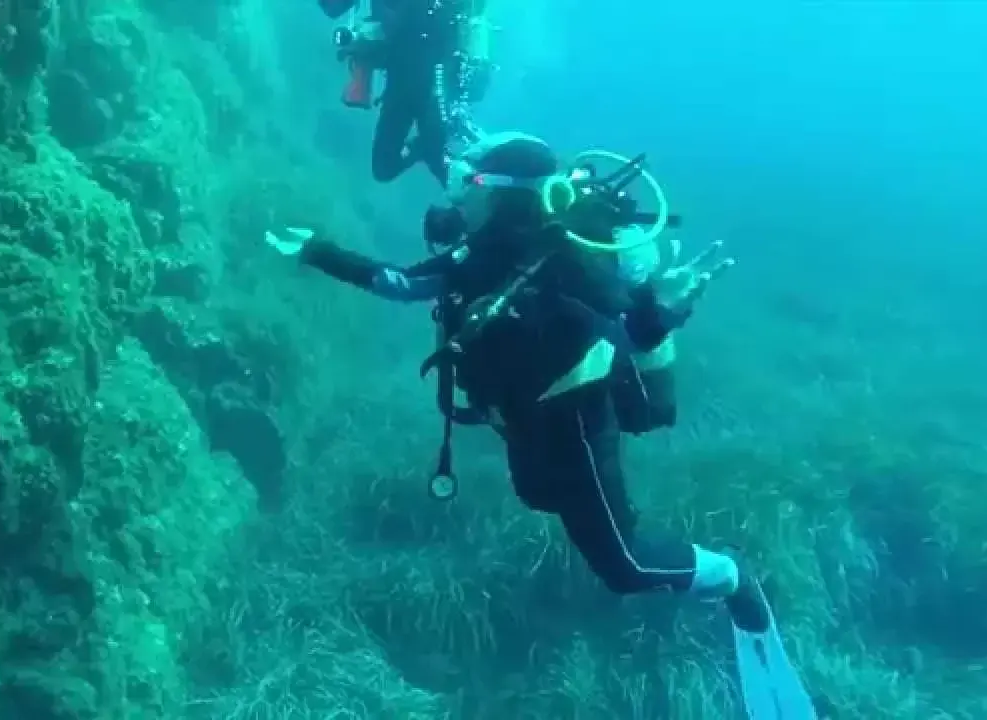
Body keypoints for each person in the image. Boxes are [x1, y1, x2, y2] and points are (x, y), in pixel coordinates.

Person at [265, 131, 817, 718]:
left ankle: (732, 576)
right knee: (536, 494)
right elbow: (403, 283)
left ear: (504, 195)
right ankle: (659, 552)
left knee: (624, 566)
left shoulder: (563, 267)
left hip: (576, 424)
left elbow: (625, 333)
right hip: (524, 419)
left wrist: (664, 310)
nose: (455, 192)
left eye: (467, 181)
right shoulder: (476, 255)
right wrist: (317, 250)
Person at [319, 0, 490, 185]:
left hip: (434, 76)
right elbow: (332, 8)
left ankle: (478, 174)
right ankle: (436, 145)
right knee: (386, 167)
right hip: (403, 76)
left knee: (438, 160)